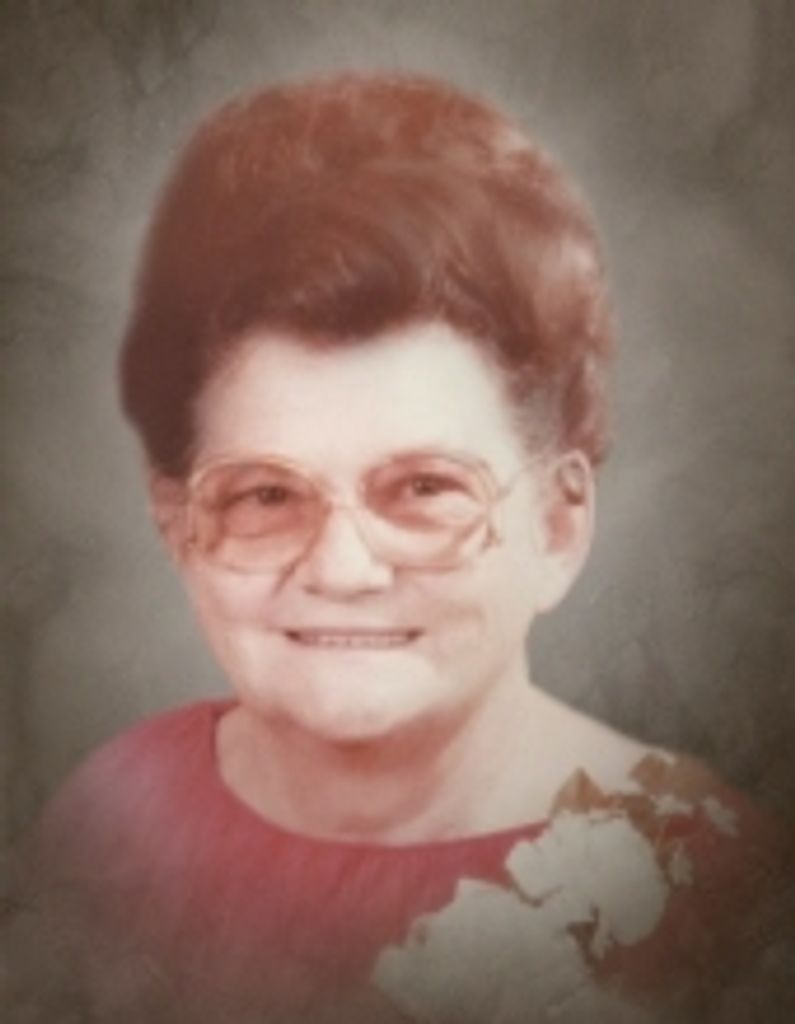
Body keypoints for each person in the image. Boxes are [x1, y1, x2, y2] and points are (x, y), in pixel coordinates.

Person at [2, 73, 788, 1024]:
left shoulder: (713, 894)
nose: (341, 570)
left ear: (556, 524)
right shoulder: (113, 818)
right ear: (177, 524)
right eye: (266, 495)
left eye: (423, 490)